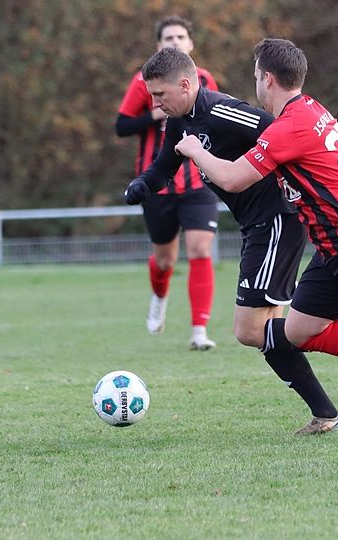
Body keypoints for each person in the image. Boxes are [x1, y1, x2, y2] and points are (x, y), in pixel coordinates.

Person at [125, 48, 338, 435]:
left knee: (254, 330)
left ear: (185, 85)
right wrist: (143, 185)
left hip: (276, 221)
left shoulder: (225, 112)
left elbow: (277, 132)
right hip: (255, 225)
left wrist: (288, 182)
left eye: (160, 94)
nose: (155, 104)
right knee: (269, 330)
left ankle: (337, 407)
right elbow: (164, 166)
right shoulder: (178, 123)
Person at [116, 16, 219, 350]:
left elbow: (217, 124)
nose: (175, 42)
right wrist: (155, 114)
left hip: (198, 183)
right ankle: (159, 297)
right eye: (168, 38)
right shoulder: (142, 83)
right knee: (165, 260)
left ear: (191, 43)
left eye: (180, 36)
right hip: (158, 183)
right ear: (158, 45)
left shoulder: (205, 79)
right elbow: (121, 126)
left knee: (201, 249)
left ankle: (199, 330)